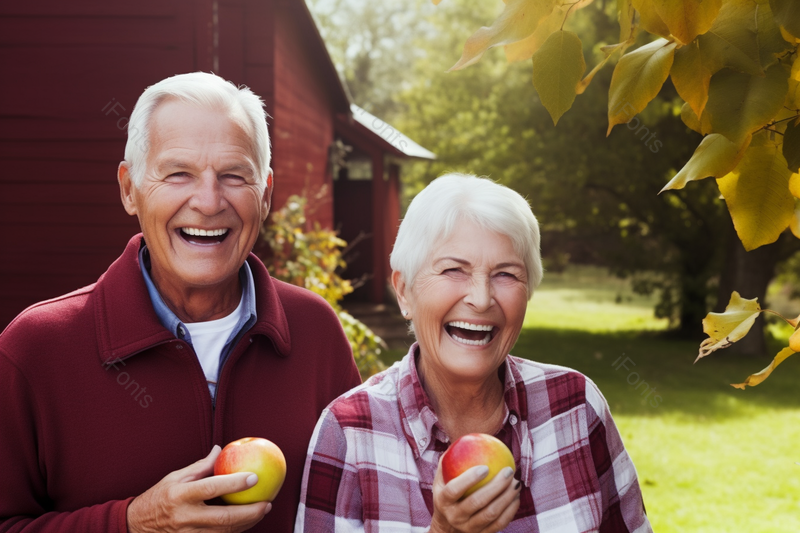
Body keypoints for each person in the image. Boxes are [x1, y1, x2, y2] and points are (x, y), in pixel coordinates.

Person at [0, 72, 361, 533]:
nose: (209, 202)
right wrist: (133, 523)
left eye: (234, 176)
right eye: (178, 174)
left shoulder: (316, 332)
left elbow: (360, 507)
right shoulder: (35, 349)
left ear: (266, 194)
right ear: (130, 189)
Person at [295, 174, 652, 533]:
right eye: (453, 270)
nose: (481, 299)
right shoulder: (349, 432)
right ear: (404, 292)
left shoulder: (576, 407)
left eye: (506, 274)